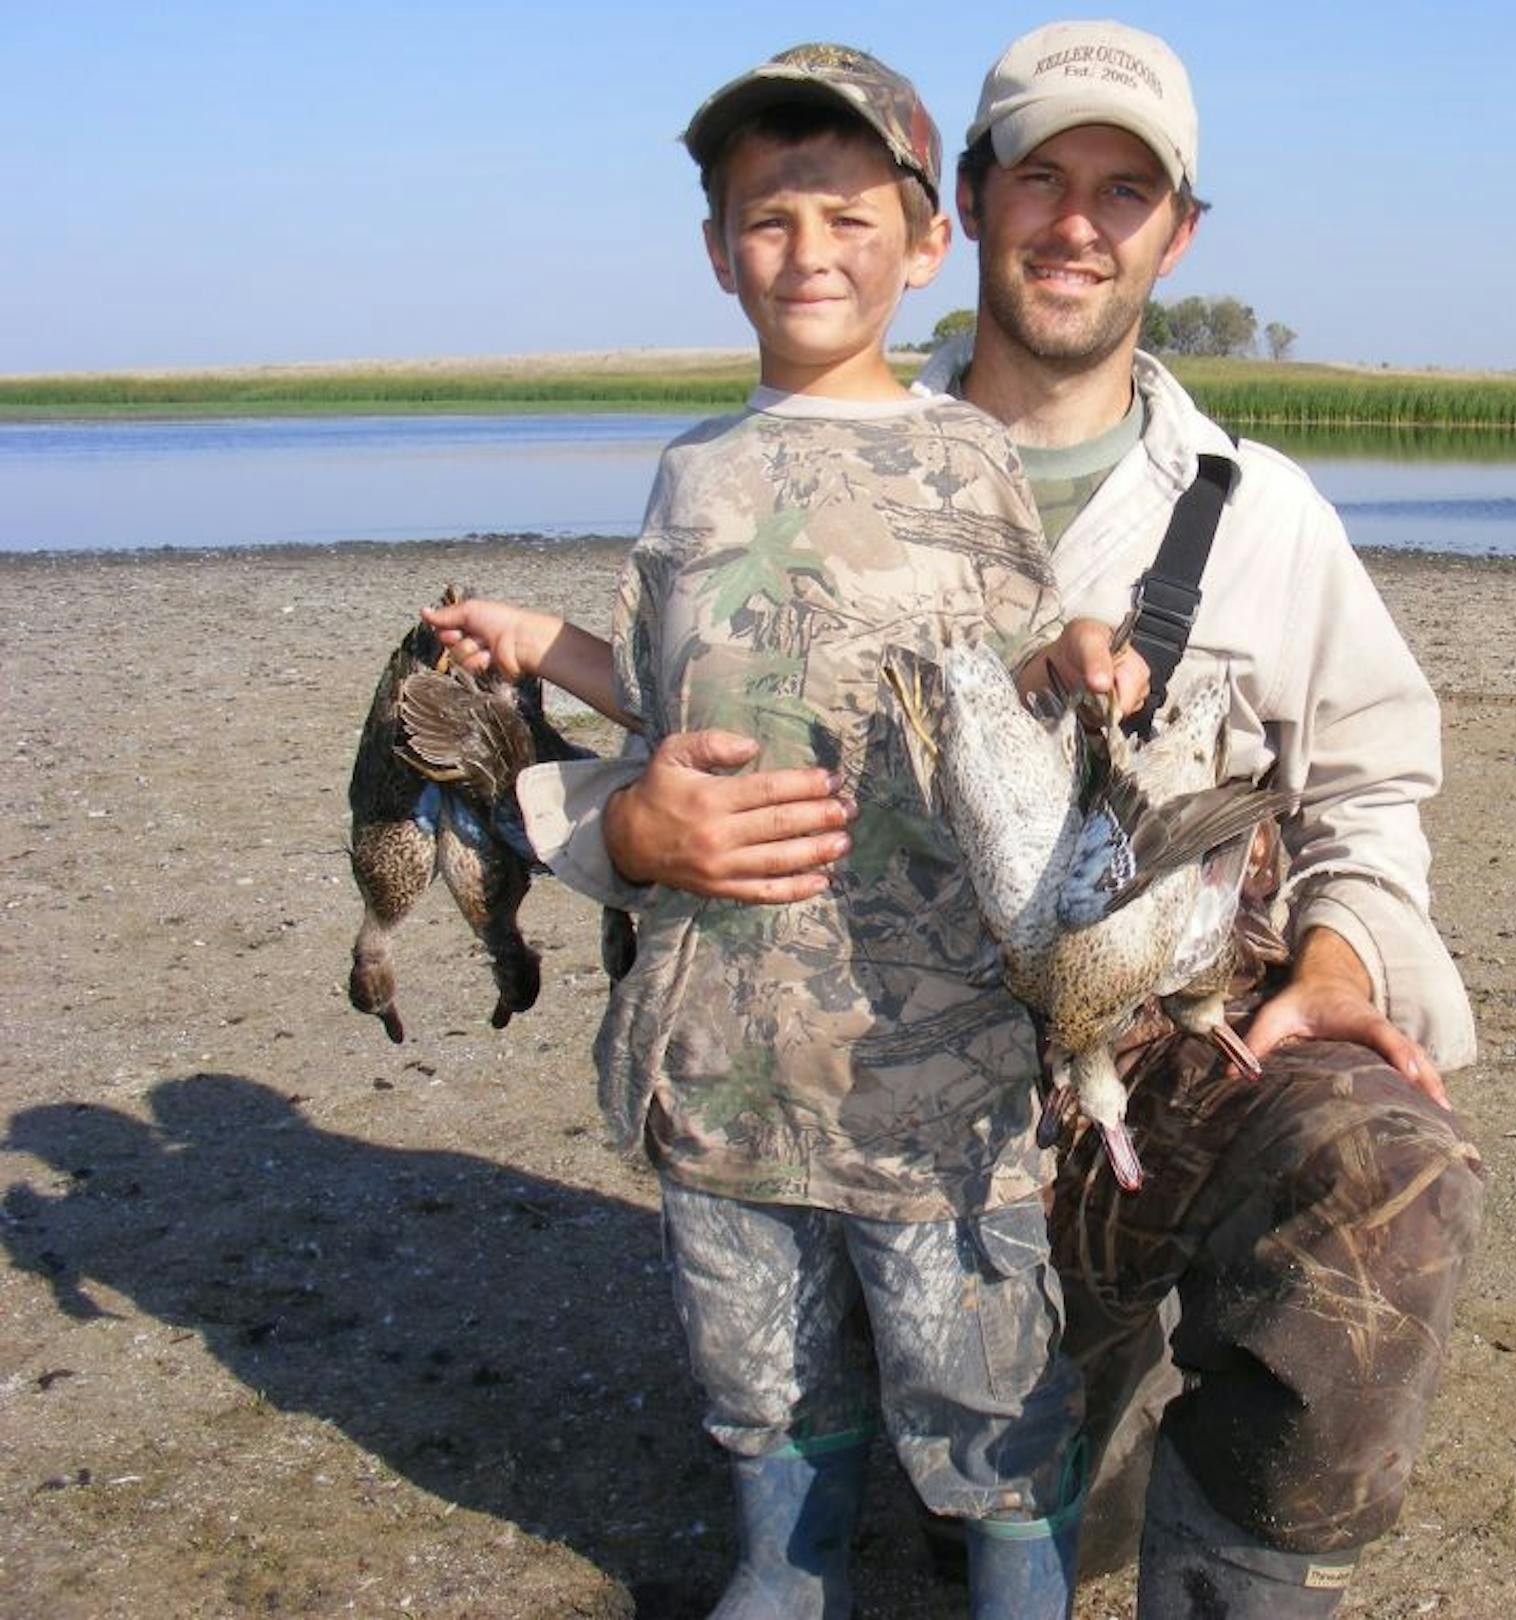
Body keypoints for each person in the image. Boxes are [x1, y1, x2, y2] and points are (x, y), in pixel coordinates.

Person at [523, 20, 1487, 1616]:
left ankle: (1227, 1579)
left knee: (1389, 1165)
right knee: (910, 1451)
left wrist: (1344, 953)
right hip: (865, 1070)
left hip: (1150, 1075)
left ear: (1179, 233)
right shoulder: (756, 473)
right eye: (1040, 178)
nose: (1078, 222)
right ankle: (965, 1448)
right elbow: (668, 710)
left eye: (1126, 192)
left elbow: (1374, 780)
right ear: (961, 208)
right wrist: (627, 835)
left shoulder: (1257, 513)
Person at [435, 43, 1146, 1617]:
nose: (807, 254)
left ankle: (1013, 1576)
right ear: (715, 251)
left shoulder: (971, 456)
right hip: (722, 1052)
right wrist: (538, 640)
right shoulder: (691, 470)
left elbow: (1014, 676)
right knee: (759, 1367)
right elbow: (671, 685)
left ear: (922, 242)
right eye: (768, 221)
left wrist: (1081, 658)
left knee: (980, 1382)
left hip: (934, 1059)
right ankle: (784, 1562)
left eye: (845, 217)